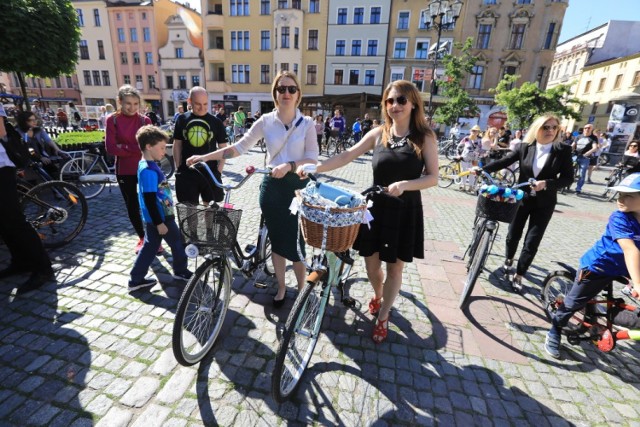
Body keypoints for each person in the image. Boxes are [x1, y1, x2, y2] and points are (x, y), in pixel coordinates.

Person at [298, 80, 438, 343]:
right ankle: (378, 295)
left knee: (395, 269)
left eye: (400, 100)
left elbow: (433, 178)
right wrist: (316, 168)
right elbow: (347, 155)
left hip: (404, 209)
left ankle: (384, 314)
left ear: (413, 103)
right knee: (372, 265)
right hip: (374, 207)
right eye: (389, 101)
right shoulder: (379, 133)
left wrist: (405, 185)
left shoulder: (424, 136)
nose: (394, 105)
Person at [187, 71, 318, 307]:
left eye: (291, 89)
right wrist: (205, 156)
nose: (286, 93)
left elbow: (312, 159)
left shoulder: (307, 123)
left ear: (298, 94)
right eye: (281, 89)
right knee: (278, 241)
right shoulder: (266, 121)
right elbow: (238, 147)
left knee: (296, 241)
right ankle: (280, 287)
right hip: (272, 188)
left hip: (297, 188)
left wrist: (288, 165)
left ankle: (301, 291)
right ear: (275, 94)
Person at [544, 173, 640, 359]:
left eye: (628, 195)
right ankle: (554, 331)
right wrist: (637, 283)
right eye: (619, 193)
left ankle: (612, 313)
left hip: (625, 267)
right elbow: (630, 250)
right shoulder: (619, 218)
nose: (620, 199)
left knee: (621, 305)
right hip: (599, 266)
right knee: (572, 302)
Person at [478, 113, 574, 291]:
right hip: (521, 199)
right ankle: (508, 259)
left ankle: (520, 274)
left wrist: (547, 183)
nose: (551, 131)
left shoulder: (563, 150)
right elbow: (505, 161)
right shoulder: (525, 147)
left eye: (555, 127)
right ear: (537, 129)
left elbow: (568, 178)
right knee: (513, 234)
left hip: (545, 203)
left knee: (532, 241)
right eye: (546, 127)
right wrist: (481, 169)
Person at [128, 125, 192, 291]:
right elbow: (149, 199)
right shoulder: (148, 170)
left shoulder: (147, 164)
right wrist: (159, 223)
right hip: (161, 218)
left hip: (156, 217)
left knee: (149, 247)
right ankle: (181, 271)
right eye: (162, 148)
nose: (164, 152)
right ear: (149, 146)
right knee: (177, 243)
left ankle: (136, 280)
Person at [0, 114, 54, 294]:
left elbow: (1, 131)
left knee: (15, 220)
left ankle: (43, 267)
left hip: (2, 167)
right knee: (4, 222)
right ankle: (20, 261)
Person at [105, 85, 152, 253]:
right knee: (132, 205)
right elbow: (110, 147)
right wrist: (135, 147)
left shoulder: (144, 121)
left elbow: (149, 146)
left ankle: (154, 239)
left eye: (135, 104)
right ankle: (142, 237)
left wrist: (124, 146)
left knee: (150, 203)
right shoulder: (113, 120)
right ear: (119, 102)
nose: (132, 108)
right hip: (124, 170)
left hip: (144, 168)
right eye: (127, 104)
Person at [172, 86, 228, 206]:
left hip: (210, 172)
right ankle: (192, 226)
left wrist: (219, 170)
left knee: (210, 208)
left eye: (205, 104)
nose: (202, 108)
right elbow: (177, 145)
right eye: (198, 104)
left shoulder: (216, 122)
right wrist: (178, 167)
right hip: (187, 173)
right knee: (189, 210)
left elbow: (224, 148)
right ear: (189, 101)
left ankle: (208, 226)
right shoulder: (182, 119)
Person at [15, 111, 65, 179]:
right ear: (24, 121)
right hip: (28, 159)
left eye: (35, 119)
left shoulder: (38, 130)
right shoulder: (18, 132)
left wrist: (57, 150)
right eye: (31, 120)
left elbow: (48, 140)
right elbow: (28, 148)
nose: (35, 122)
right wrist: (40, 157)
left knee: (54, 172)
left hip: (41, 156)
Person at [571, 124, 599, 195]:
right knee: (567, 168)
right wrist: (568, 150)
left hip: (585, 157)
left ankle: (578, 189)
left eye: (589, 128)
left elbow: (595, 147)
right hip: (575, 155)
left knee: (582, 173)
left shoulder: (593, 138)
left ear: (591, 129)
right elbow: (573, 145)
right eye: (585, 128)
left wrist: (587, 153)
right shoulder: (578, 136)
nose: (587, 129)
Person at [457, 124, 482, 191]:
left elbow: (480, 149)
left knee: (472, 173)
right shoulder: (466, 139)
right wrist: (459, 155)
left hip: (474, 159)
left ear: (478, 132)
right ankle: (463, 185)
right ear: (470, 131)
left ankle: (471, 187)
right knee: (464, 172)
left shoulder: (479, 140)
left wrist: (479, 156)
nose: (474, 132)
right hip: (465, 158)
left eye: (476, 131)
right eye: (473, 130)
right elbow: (459, 146)